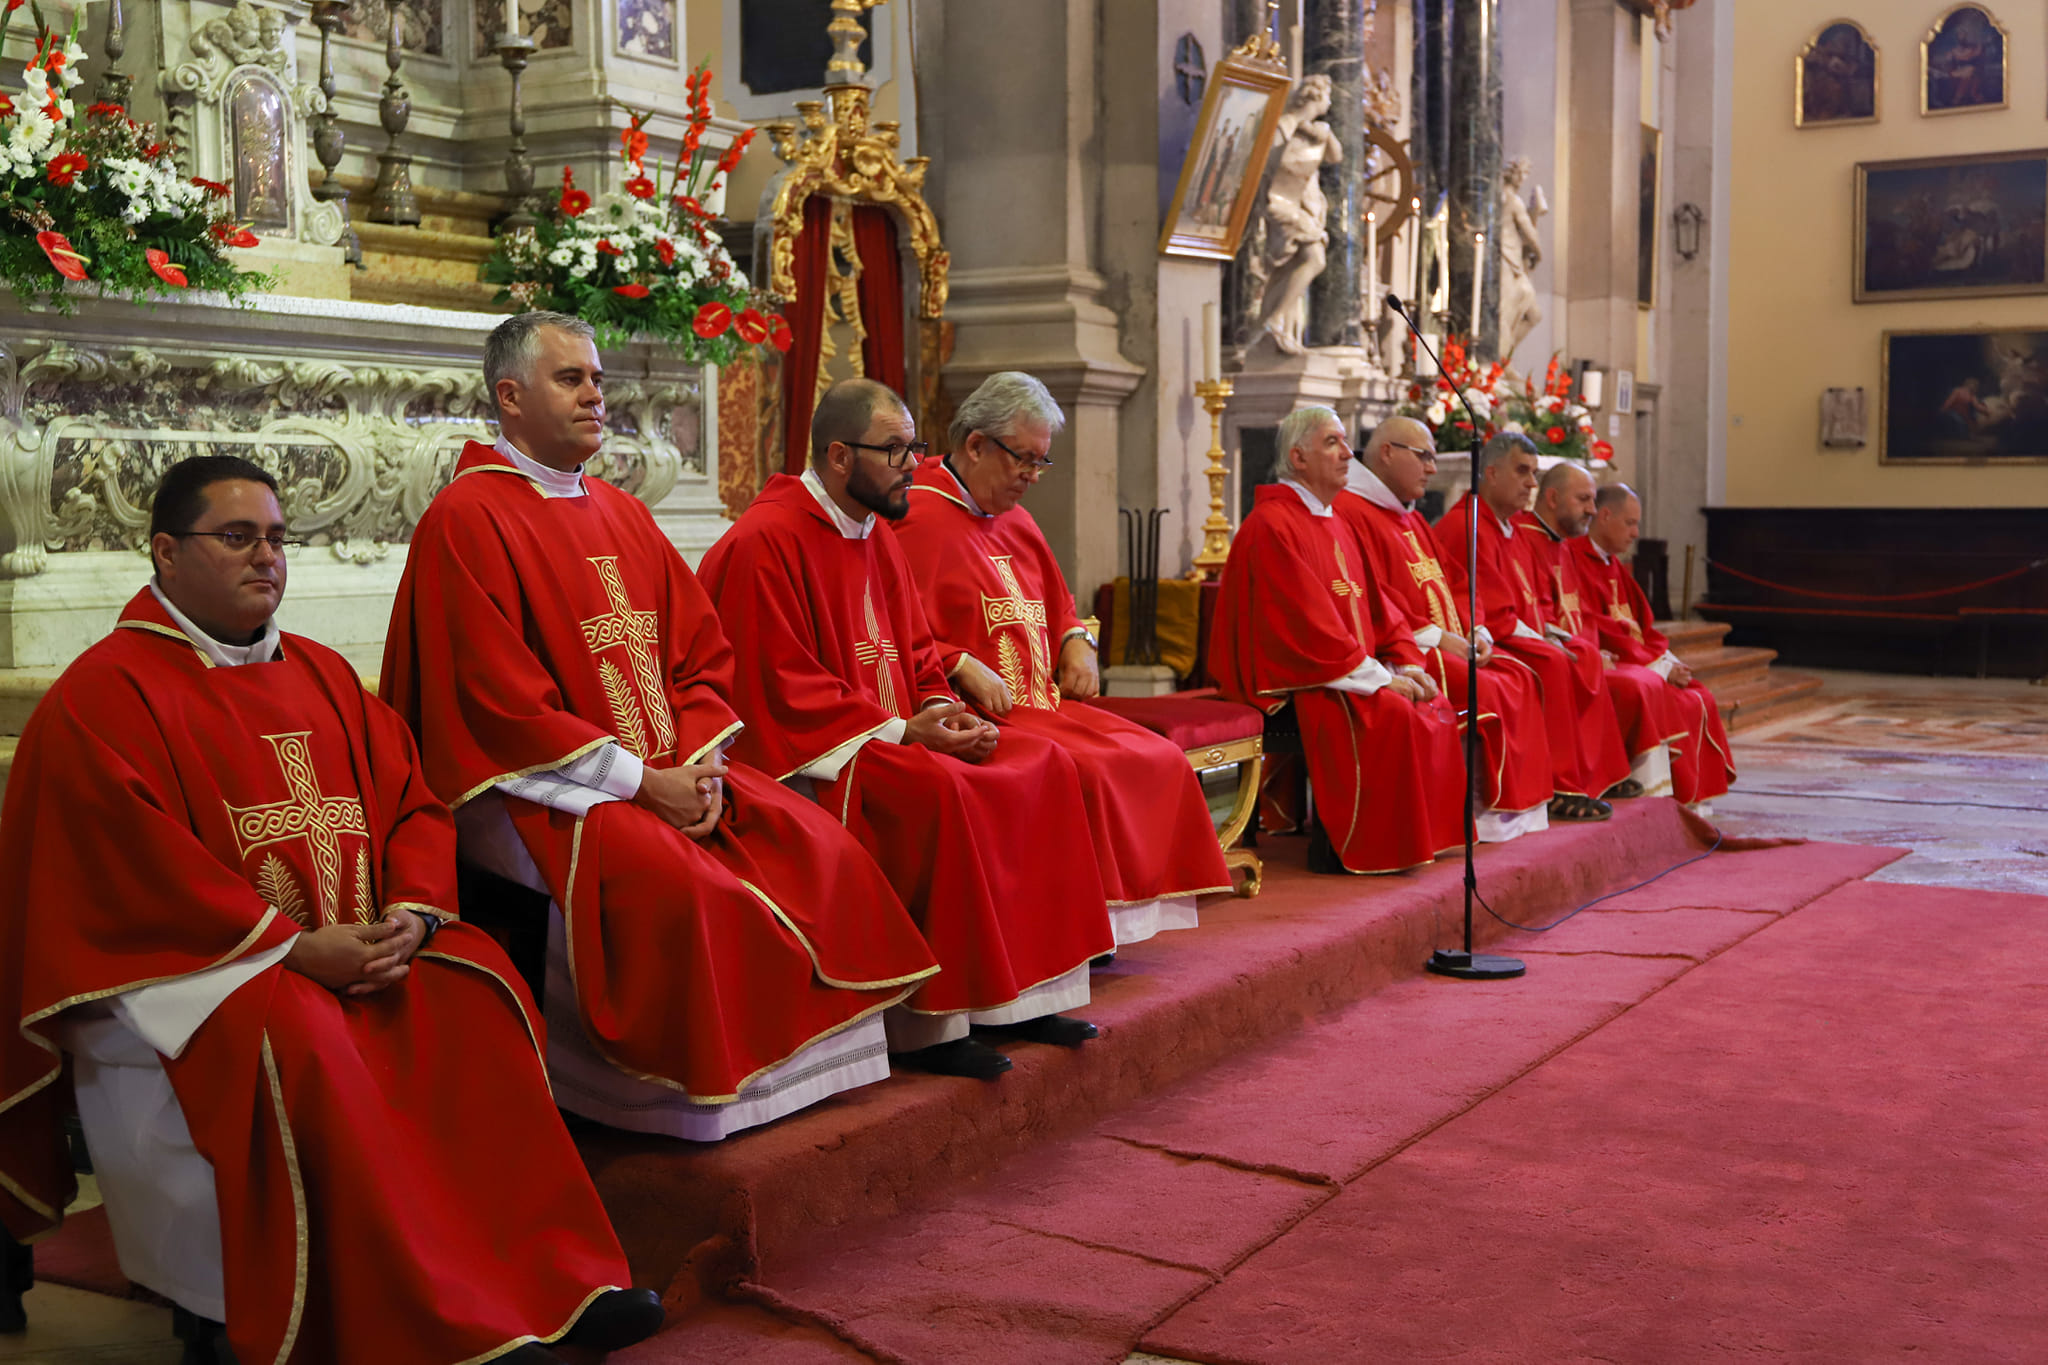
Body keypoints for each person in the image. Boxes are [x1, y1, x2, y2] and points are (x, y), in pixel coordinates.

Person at [0, 456, 662, 1365]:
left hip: (355, 948)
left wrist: (414, 915)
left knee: (471, 991)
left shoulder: (322, 674)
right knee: (305, 1038)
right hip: (207, 972)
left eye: (276, 538)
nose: (265, 557)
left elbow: (412, 803)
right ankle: (424, 1321)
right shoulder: (103, 696)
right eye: (237, 537)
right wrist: (291, 949)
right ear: (166, 552)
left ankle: (548, 1283)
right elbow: (131, 869)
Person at [381, 314, 940, 1139]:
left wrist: (698, 768)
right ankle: (674, 1099)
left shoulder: (622, 511)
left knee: (817, 845)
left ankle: (790, 1078)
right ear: (510, 396)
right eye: (571, 379)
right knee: (684, 889)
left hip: (665, 769)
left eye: (597, 380)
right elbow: (500, 705)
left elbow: (700, 654)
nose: (594, 396)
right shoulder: (468, 519)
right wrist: (646, 784)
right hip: (534, 784)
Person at [698, 378, 1113, 1082]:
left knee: (1040, 764)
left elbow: (919, 653)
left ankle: (1026, 997)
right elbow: (783, 688)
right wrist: (904, 732)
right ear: (838, 456)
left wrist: (945, 713)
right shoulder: (764, 542)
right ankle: (930, 1024)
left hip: (896, 732)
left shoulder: (874, 532)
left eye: (914, 446)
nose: (913, 465)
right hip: (823, 755)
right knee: (938, 791)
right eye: (895, 450)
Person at [892, 372, 1233, 941]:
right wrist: (957, 662)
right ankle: (1080, 932)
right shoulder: (912, 518)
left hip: (1043, 702)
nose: (1032, 476)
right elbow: (891, 627)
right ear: (975, 445)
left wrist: (1079, 642)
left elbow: (1060, 605)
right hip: (981, 713)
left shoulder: (1015, 518)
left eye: (1040, 461)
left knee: (1158, 757)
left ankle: (1108, 926)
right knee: (1090, 771)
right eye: (1024, 459)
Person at [1210, 406, 1467, 875]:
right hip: (1294, 677)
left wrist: (1407, 663)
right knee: (1390, 711)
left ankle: (1420, 837)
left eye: (1346, 442)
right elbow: (1305, 628)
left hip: (1336, 667)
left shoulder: (1336, 521)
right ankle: (1356, 846)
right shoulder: (1273, 525)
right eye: (1333, 443)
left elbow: (1382, 610)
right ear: (1298, 458)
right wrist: (1379, 680)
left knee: (1430, 700)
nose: (1349, 453)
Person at [1339, 417, 1553, 842]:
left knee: (1519, 675)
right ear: (1387, 453)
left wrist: (1477, 631)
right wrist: (1439, 638)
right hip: (1402, 648)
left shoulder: (1410, 518)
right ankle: (1480, 810)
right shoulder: (1352, 513)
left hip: (1449, 642)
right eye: (1424, 457)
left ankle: (1510, 812)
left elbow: (1456, 579)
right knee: (1484, 687)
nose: (1432, 469)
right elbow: (1374, 598)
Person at [1432, 433, 1633, 822]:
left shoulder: (1507, 528)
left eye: (1534, 474)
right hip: (1489, 637)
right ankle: (1559, 786)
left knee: (1583, 654)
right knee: (1554, 662)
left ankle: (1590, 776)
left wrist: (1553, 634)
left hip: (1513, 632)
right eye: (1522, 472)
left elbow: (1535, 601)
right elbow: (1488, 611)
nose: (1530, 484)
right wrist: (1545, 640)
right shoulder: (1470, 525)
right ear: (1491, 473)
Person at [1517, 462, 1689, 799]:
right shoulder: (1526, 539)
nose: (1592, 511)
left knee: (1657, 684)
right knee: (1640, 683)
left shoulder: (1561, 544)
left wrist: (1593, 649)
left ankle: (1642, 788)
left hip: (1578, 653)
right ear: (1552, 498)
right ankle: (1591, 783)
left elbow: (1582, 618)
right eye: (1584, 500)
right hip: (1552, 654)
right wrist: (1589, 652)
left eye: (1593, 501)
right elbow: (1535, 615)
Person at [1570, 483, 1735, 809]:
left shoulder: (1613, 564)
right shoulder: (1574, 558)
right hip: (1611, 661)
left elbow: (1642, 627)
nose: (1636, 533)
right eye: (1630, 523)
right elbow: (1597, 627)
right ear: (1605, 516)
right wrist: (1659, 667)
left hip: (1636, 659)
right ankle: (1654, 801)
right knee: (1661, 693)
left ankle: (1689, 802)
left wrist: (1668, 660)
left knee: (1698, 697)